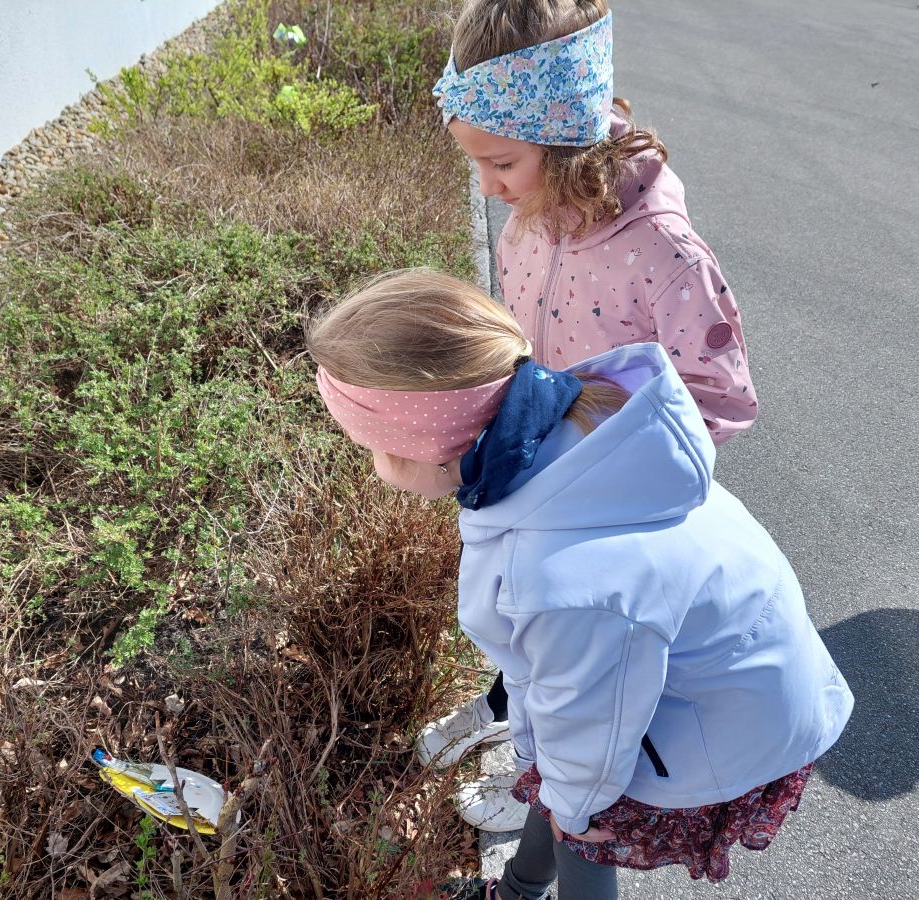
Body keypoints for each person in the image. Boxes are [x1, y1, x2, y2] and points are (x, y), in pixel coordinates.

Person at [306, 269, 852, 899]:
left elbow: (589, 731)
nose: (372, 464)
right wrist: (553, 777)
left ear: (428, 446)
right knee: (560, 789)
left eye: (371, 447)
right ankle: (518, 891)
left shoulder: (565, 579)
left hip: (717, 730)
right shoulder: (576, 429)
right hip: (723, 683)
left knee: (582, 833)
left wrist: (573, 802)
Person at [420, 0, 760, 818]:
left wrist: (616, 454)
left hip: (610, 499)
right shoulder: (530, 214)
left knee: (575, 648)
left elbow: (720, 398)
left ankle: (541, 774)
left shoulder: (664, 252)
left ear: (567, 136)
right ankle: (506, 705)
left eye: (501, 163)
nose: (486, 187)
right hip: (541, 462)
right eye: (475, 163)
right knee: (523, 616)